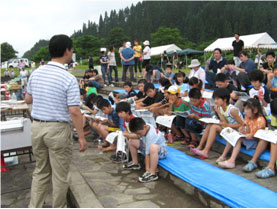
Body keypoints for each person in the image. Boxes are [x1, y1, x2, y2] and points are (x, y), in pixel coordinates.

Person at [26, 34, 87, 208]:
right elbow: (74, 111)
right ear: (67, 51)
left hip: (37, 127)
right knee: (60, 175)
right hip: (58, 130)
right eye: (72, 49)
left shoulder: (36, 73)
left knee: (40, 171)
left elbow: (28, 100)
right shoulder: (68, 78)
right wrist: (81, 137)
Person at [191, 88, 244, 159]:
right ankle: (200, 147)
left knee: (214, 127)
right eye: (214, 99)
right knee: (210, 124)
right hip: (228, 128)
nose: (215, 101)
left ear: (225, 99)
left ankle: (206, 151)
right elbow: (224, 122)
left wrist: (227, 125)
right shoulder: (220, 108)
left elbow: (242, 124)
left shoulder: (232, 110)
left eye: (217, 99)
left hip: (236, 131)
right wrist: (218, 112)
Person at [218, 98, 266, 169]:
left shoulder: (261, 120)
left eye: (247, 109)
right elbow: (247, 129)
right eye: (244, 109)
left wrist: (251, 136)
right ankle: (223, 156)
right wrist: (243, 130)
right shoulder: (247, 117)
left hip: (255, 141)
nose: (245, 111)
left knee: (238, 139)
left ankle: (231, 161)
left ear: (255, 110)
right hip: (248, 139)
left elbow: (260, 137)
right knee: (234, 136)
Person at [124, 117, 168, 183]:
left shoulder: (151, 135)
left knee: (153, 148)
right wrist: (128, 135)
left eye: (139, 133)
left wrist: (147, 168)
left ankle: (152, 174)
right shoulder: (144, 126)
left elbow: (148, 154)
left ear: (145, 126)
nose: (138, 135)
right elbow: (137, 136)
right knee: (131, 140)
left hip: (161, 152)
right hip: (147, 147)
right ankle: (135, 163)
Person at [255, 99, 277, 178]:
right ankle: (253, 161)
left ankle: (271, 167)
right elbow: (272, 130)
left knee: (275, 140)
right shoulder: (272, 117)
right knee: (266, 137)